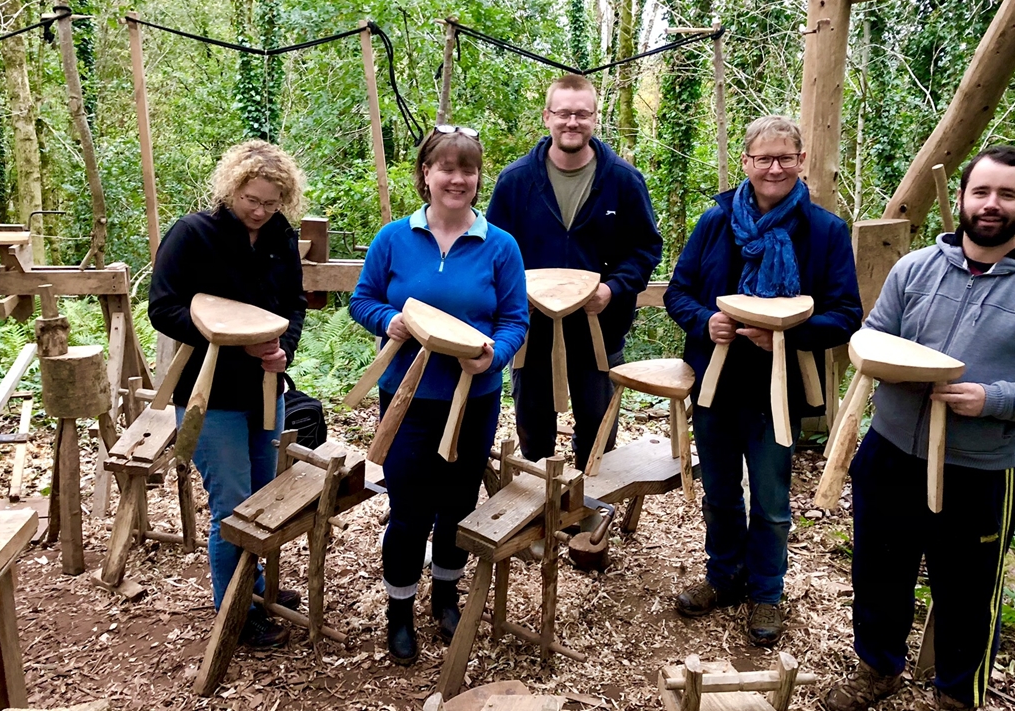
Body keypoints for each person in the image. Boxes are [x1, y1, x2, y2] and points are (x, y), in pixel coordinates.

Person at [824, 146, 1015, 711]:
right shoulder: (914, 269)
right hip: (891, 450)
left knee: (967, 594)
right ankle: (877, 668)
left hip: (977, 469)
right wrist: (895, 369)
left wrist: (992, 399)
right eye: (982, 191)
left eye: (1007, 194)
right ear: (964, 198)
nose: (992, 204)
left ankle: (956, 696)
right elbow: (871, 339)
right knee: (878, 569)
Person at [665, 115, 862, 645]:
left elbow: (846, 314)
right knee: (721, 493)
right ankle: (723, 577)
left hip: (779, 389)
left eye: (785, 158)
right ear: (746, 163)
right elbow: (677, 292)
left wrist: (784, 333)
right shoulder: (716, 221)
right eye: (763, 158)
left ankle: (767, 594)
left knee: (772, 501)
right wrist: (706, 320)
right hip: (715, 380)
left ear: (801, 162)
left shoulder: (824, 231)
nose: (774, 167)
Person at [349, 125, 528, 666]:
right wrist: (390, 319)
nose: (458, 178)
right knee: (408, 509)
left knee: (457, 503)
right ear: (425, 174)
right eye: (446, 168)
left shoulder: (500, 245)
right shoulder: (393, 239)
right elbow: (362, 300)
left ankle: (445, 597)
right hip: (408, 399)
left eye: (468, 169)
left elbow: (515, 320)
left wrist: (493, 355)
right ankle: (399, 611)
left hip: (473, 398)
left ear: (477, 179)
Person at [149, 140, 308, 648]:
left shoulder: (282, 236)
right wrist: (226, 333)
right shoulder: (193, 234)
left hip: (264, 386)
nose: (260, 212)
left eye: (271, 203)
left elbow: (293, 304)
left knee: (263, 500)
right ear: (231, 188)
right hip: (209, 392)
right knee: (233, 507)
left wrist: (283, 348)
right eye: (251, 200)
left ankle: (255, 589)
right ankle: (234, 613)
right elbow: (162, 308)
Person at [486, 74, 661, 471]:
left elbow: (646, 248)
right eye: (564, 113)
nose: (572, 122)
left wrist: (613, 289)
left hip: (599, 326)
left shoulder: (623, 180)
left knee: (599, 431)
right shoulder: (516, 182)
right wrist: (515, 299)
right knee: (534, 432)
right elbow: (494, 253)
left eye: (582, 114)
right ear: (547, 116)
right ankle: (536, 513)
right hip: (531, 329)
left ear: (594, 119)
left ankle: (589, 512)